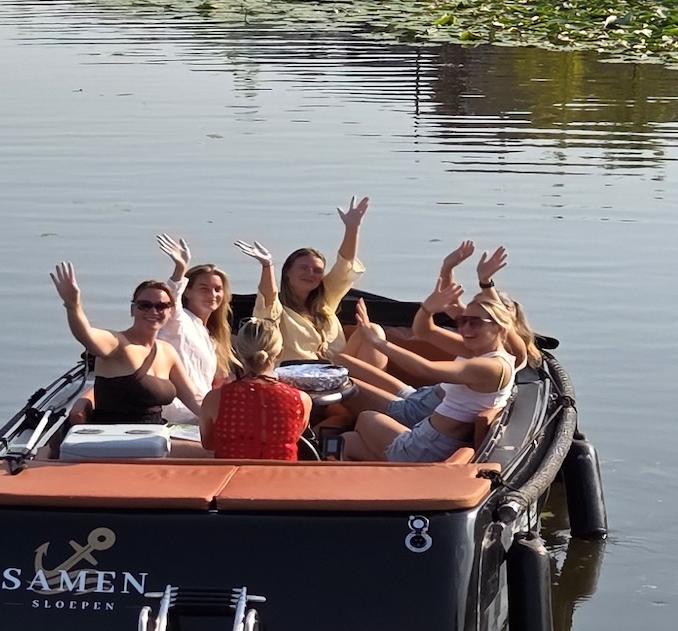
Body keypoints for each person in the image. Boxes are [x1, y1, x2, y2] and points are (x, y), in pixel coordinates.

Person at [342, 291, 518, 465]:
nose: (466, 328)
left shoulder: (492, 367)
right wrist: (427, 308)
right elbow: (426, 330)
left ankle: (398, 475)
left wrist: (377, 342)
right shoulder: (482, 353)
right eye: (463, 321)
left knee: (366, 417)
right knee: (346, 441)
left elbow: (424, 369)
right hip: (428, 437)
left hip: (427, 448)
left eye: (475, 323)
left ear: (500, 327)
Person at [50, 265, 201, 425]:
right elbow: (86, 335)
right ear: (132, 309)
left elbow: (194, 399)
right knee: (206, 452)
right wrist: (73, 306)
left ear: (170, 311)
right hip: (115, 439)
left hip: (155, 435)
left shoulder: (167, 351)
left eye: (161, 306)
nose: (153, 311)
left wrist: (221, 417)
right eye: (145, 305)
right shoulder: (118, 344)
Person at [235, 195, 369, 364]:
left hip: (339, 370)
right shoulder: (278, 311)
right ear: (288, 273)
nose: (310, 274)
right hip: (299, 374)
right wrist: (267, 266)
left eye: (317, 271)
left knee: (373, 332)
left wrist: (352, 228)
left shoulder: (326, 300)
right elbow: (267, 299)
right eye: (303, 268)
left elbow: (345, 265)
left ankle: (381, 388)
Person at [195, 318, 308, 461]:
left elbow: (209, 444)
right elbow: (295, 436)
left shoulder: (215, 399)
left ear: (239, 352)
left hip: (233, 478)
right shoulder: (301, 400)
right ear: (279, 353)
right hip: (282, 479)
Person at [154, 233, 233, 410]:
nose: (212, 295)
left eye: (217, 289)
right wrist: (179, 270)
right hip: (180, 412)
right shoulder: (179, 322)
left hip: (201, 411)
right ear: (187, 292)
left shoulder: (210, 335)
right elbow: (171, 301)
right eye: (204, 288)